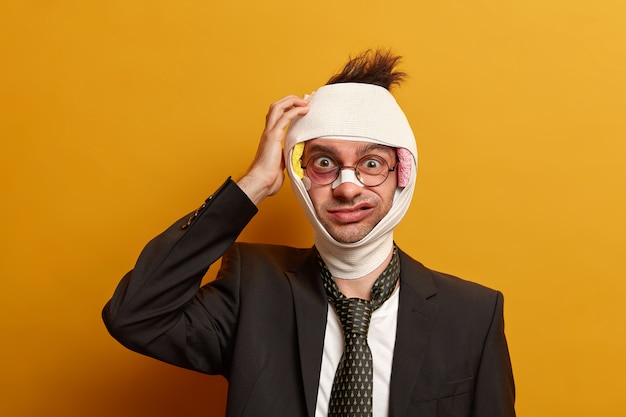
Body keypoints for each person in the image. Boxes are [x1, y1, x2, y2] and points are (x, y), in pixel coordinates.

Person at [103, 49, 516, 417]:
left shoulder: (472, 316)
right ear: (302, 177)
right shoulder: (254, 289)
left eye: (371, 164)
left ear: (402, 174)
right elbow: (135, 316)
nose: (347, 186)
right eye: (323, 163)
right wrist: (253, 185)